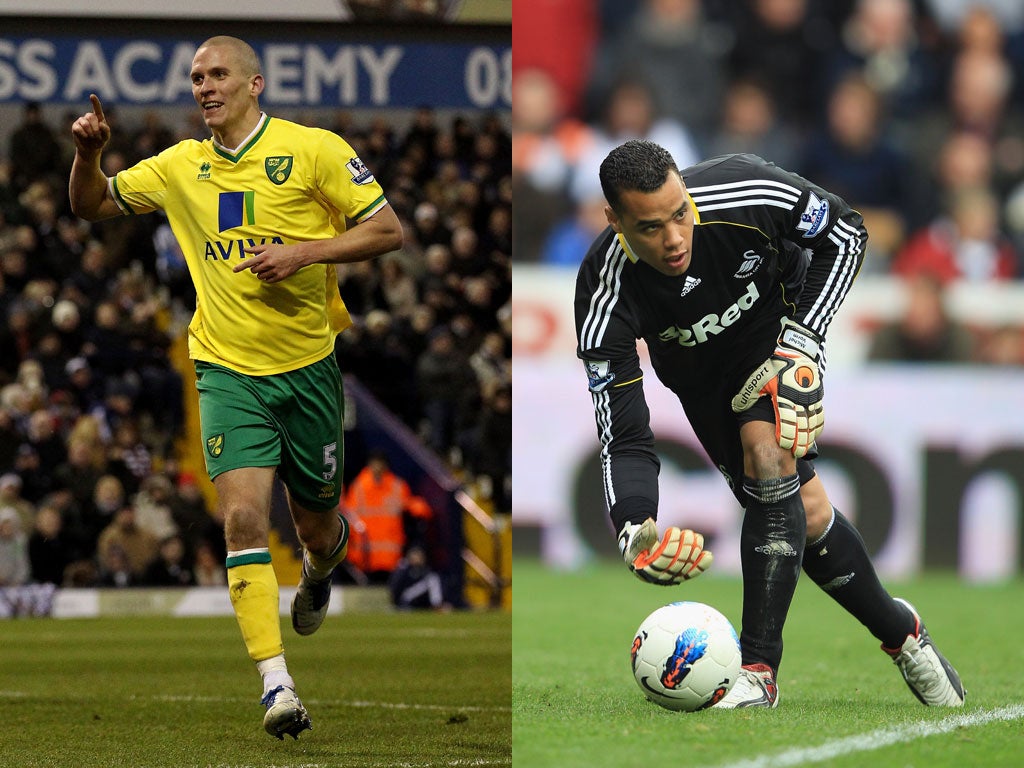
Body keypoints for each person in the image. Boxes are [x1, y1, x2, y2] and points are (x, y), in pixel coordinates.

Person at [69, 35, 403, 738]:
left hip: (309, 369)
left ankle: (319, 567)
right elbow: (92, 206)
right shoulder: (178, 166)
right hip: (225, 370)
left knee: (317, 524)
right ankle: (276, 683)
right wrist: (90, 155)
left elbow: (387, 229)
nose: (204, 86)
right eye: (195, 77)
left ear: (255, 84)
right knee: (244, 518)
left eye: (218, 74)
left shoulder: (313, 149)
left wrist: (305, 251)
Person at [574, 139, 965, 709]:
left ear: (685, 186)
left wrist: (804, 343)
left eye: (680, 212)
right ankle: (903, 634)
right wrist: (635, 528)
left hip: (781, 332)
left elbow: (847, 232)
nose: (676, 238)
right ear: (614, 220)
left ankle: (758, 671)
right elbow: (625, 432)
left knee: (768, 452)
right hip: (705, 387)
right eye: (651, 227)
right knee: (806, 516)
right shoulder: (604, 291)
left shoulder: (744, 187)